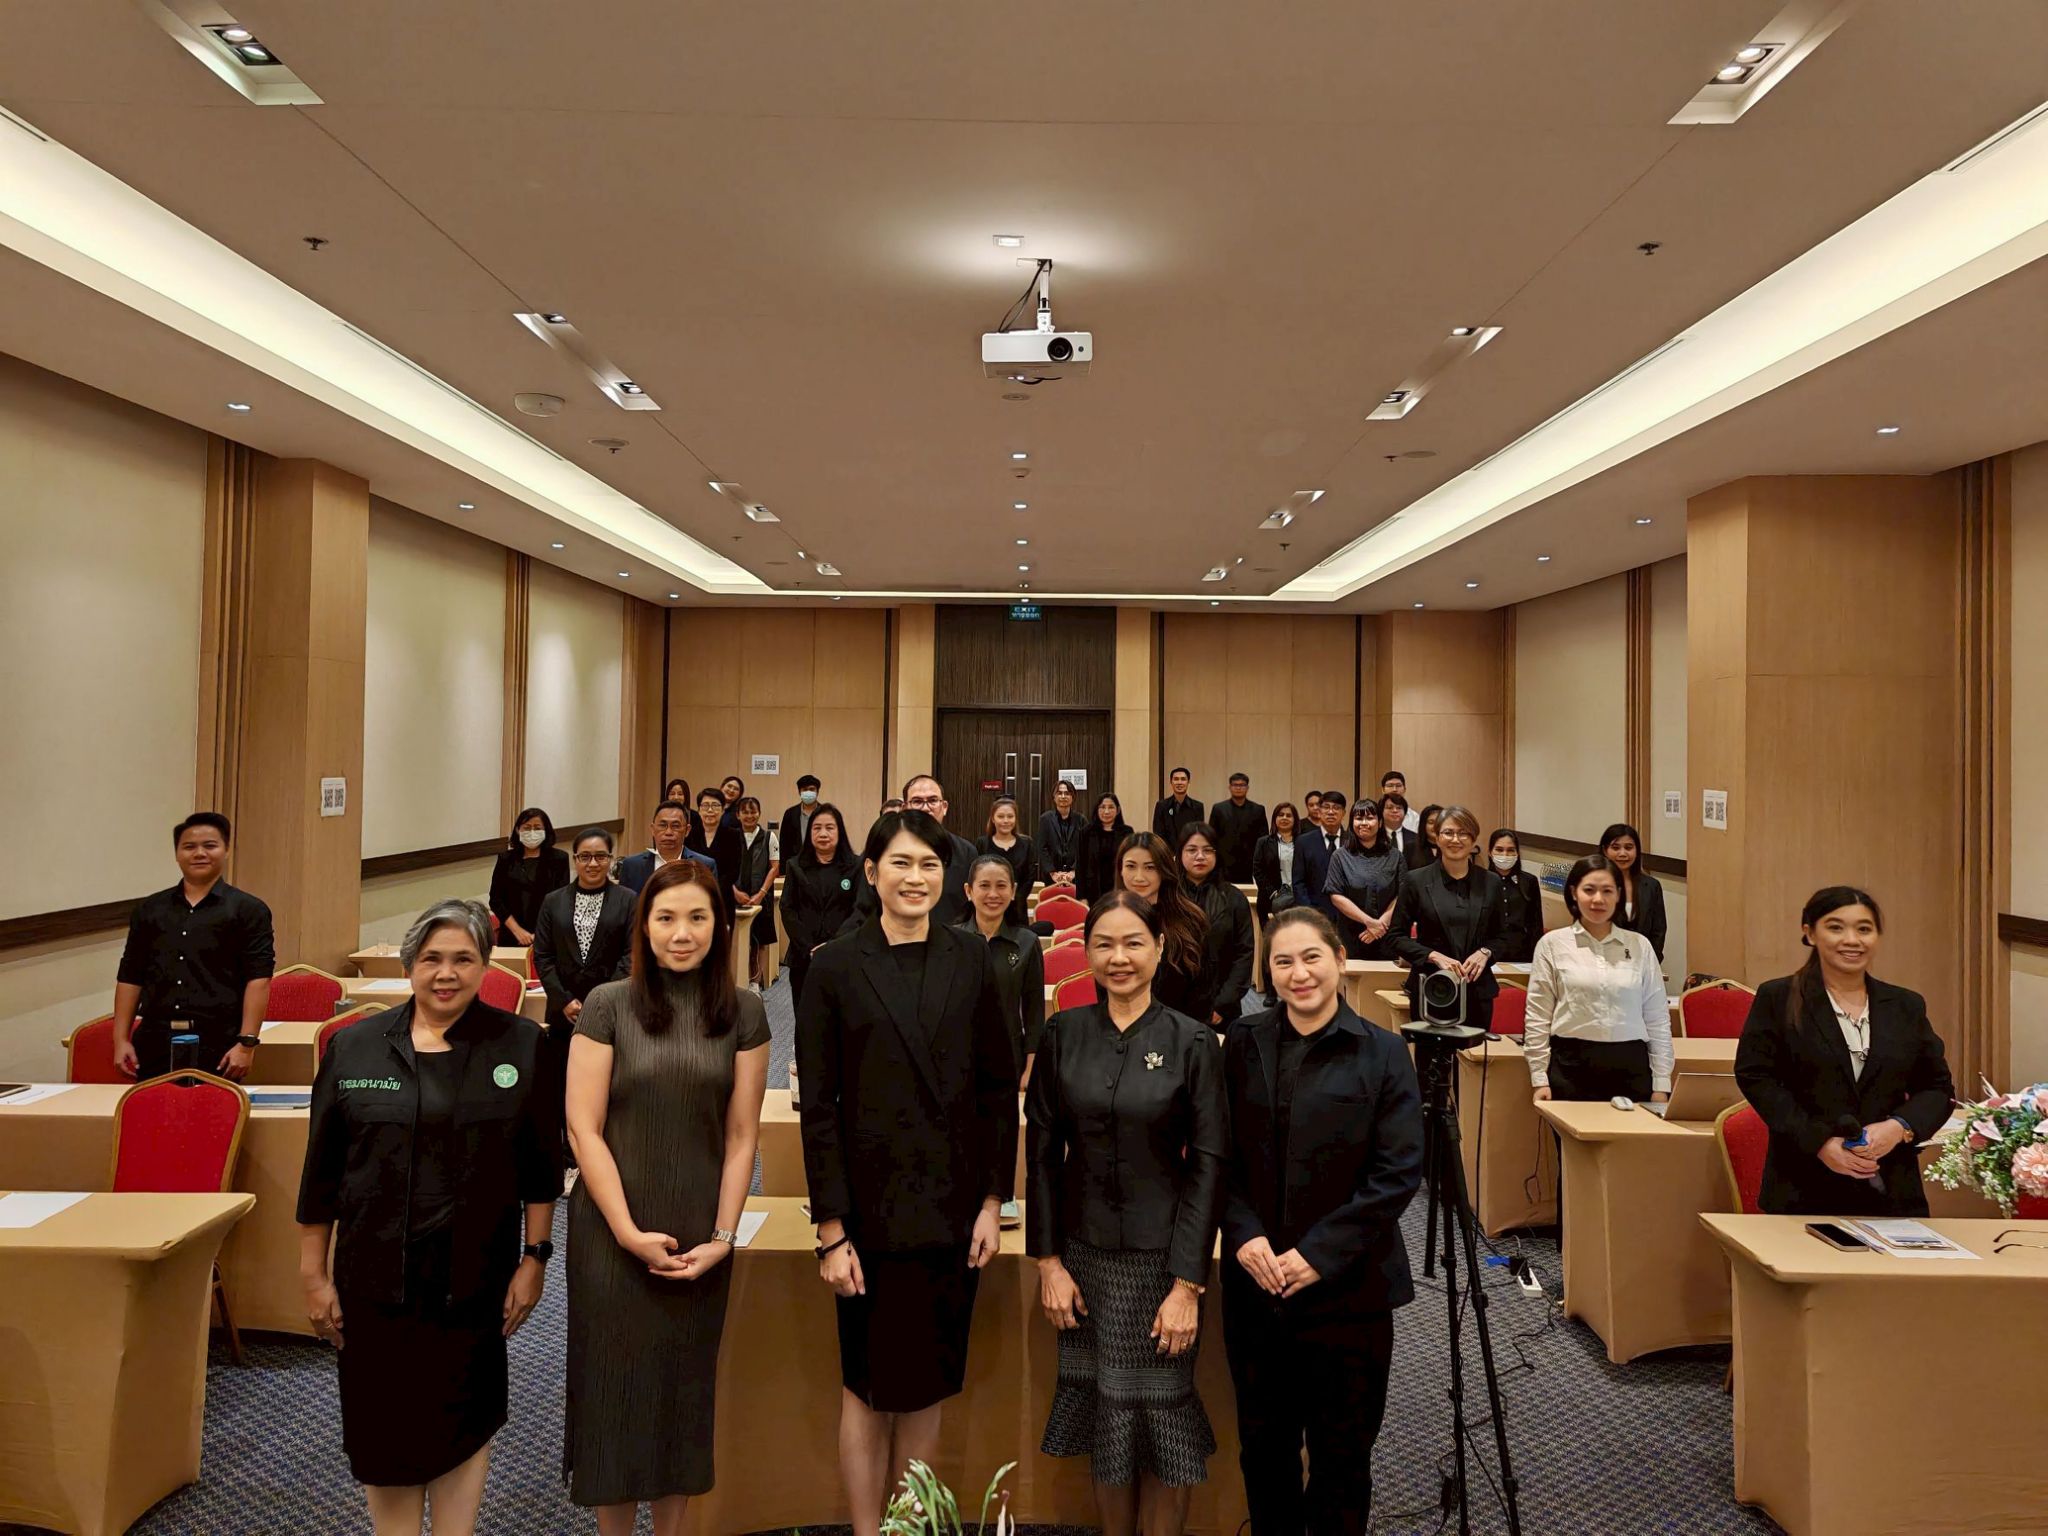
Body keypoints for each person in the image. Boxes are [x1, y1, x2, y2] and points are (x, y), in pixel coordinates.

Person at [296, 899, 558, 1536]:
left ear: (485, 967)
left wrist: (535, 1258)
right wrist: (313, 1275)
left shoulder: (522, 1043)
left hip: (475, 1278)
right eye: (432, 959)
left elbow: (540, 1166)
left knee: (463, 1421)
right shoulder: (354, 1047)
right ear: (410, 965)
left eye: (463, 959)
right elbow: (321, 1174)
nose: (447, 973)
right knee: (383, 1431)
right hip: (374, 1277)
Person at [795, 810, 1018, 1536]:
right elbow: (819, 1107)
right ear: (872, 872)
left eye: (929, 865)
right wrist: (831, 1230)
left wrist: (992, 1200)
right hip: (867, 1216)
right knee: (865, 1390)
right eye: (901, 863)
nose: (916, 878)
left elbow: (997, 1090)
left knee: (927, 1390)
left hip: (951, 1210)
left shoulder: (971, 957)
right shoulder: (835, 965)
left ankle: (911, 1530)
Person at [563, 861, 770, 1534]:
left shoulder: (744, 1011)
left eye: (698, 918)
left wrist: (723, 1238)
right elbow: (583, 1129)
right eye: (666, 918)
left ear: (720, 926)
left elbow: (741, 1137)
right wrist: (626, 1231)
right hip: (610, 1232)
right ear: (644, 927)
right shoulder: (607, 1005)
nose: (682, 933)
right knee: (614, 1399)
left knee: (683, 1397)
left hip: (697, 1232)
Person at [1027, 890, 1227, 1534]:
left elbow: (1209, 1165)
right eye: (1104, 944)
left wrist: (1188, 1284)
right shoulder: (1062, 1034)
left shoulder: (1193, 1041)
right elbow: (1041, 1156)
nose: (1119, 957)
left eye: (1134, 943)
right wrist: (1048, 1262)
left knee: (1165, 1427)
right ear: (1086, 952)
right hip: (1082, 1259)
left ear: (1159, 948)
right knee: (1106, 1423)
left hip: (1163, 1263)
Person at [1221, 907, 1424, 1534]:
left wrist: (1319, 1254)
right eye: (1283, 961)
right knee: (1265, 1452)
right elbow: (1216, 1155)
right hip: (1257, 1284)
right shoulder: (1243, 1042)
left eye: (1311, 957)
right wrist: (1243, 1232)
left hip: (1350, 1289)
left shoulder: (1383, 1051)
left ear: (1339, 959)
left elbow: (1398, 1171)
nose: (1299, 973)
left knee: (1343, 1457)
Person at [1734, 888, 1955, 1217]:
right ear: (1810, 933)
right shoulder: (1778, 998)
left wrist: (1899, 1127)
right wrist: (1820, 1142)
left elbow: (1937, 1088)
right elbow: (1757, 1078)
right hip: (1802, 1186)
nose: (1852, 940)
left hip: (1892, 1189)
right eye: (1836, 927)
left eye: (1864, 929)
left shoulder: (1905, 1005)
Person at [111, 812, 274, 1082]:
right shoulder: (149, 909)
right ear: (177, 854)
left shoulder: (248, 910)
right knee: (155, 1108)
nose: (199, 853)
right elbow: (130, 976)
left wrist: (246, 1044)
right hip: (154, 1039)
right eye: (189, 847)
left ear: (226, 850)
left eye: (210, 846)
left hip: (219, 1041)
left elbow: (258, 980)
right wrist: (120, 1039)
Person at [1524, 856, 1673, 1106]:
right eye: (1589, 890)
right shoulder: (1552, 945)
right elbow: (1538, 1016)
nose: (1598, 899)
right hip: (1570, 1067)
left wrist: (1661, 1082)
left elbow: (1657, 1018)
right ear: (1574, 893)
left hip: (1631, 1068)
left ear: (1619, 895)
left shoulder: (1640, 945)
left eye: (1607, 891)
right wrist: (1539, 1078)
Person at [532, 828, 637, 1136]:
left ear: (611, 859)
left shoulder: (628, 900)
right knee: (563, 1084)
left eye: (600, 856)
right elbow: (543, 956)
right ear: (575, 860)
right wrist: (564, 1000)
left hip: (612, 1008)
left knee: (609, 1083)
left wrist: (600, 1001)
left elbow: (632, 955)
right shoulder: (553, 901)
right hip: (563, 1011)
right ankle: (567, 1148)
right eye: (585, 857)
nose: (593, 863)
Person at [1389, 804, 1504, 1034]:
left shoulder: (1491, 882)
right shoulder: (1416, 881)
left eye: (1463, 833)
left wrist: (1485, 953)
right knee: (1430, 1056)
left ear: (1473, 839)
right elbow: (1395, 937)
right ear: (1437, 837)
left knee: (1472, 1057)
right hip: (1431, 988)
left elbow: (1505, 936)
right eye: (1448, 833)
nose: (1455, 840)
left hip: (1477, 991)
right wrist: (1432, 956)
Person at [835, 776, 981, 937]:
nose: (926, 808)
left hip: (951, 942)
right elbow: (864, 908)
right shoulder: (886, 847)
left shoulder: (966, 852)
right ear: (904, 807)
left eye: (933, 800)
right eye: (917, 801)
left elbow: (974, 907)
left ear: (944, 807)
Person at [960, 853, 1046, 1080]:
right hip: (958, 1058)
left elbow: (1034, 1012)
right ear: (969, 891)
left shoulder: (1027, 942)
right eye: (984, 886)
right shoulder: (952, 940)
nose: (993, 894)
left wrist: (1031, 1068)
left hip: (1009, 1058)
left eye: (1001, 886)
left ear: (1013, 890)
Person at [1115, 832, 1213, 1024]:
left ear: (1164, 870)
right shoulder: (1109, 921)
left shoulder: (1191, 921)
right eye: (1131, 866)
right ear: (1120, 870)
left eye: (1150, 867)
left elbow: (1203, 994)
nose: (1139, 877)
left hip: (1181, 1030)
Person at [779, 804, 860, 1008]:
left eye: (830, 828)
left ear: (840, 831)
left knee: (842, 1015)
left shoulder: (855, 866)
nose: (823, 833)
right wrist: (808, 947)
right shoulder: (795, 866)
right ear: (809, 832)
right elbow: (787, 909)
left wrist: (833, 945)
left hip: (843, 955)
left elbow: (859, 910)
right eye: (817, 828)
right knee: (805, 1014)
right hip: (803, 957)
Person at [1179, 823, 1255, 1027]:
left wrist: (1223, 1005)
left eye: (1207, 850)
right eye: (1192, 850)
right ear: (1179, 854)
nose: (1200, 856)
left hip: (1221, 1007)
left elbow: (1244, 954)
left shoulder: (1234, 898)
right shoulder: (1168, 897)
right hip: (1174, 1007)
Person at [1324, 799, 1406, 961]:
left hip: (1388, 934)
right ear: (1352, 822)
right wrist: (1369, 922)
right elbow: (1335, 895)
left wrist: (1381, 924)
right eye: (1358, 818)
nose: (1364, 823)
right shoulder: (1340, 856)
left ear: (1380, 822)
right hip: (1352, 935)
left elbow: (1402, 894)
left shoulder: (1395, 856)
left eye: (1369, 818)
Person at [488, 806, 570, 948]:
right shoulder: (506, 859)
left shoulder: (559, 859)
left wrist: (541, 934)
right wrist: (518, 931)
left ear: (546, 830)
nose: (532, 832)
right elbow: (496, 900)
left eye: (537, 828)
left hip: (548, 936)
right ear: (518, 830)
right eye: (527, 828)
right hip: (511, 936)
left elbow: (562, 902)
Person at [1597, 822, 1668, 962]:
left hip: (1642, 962)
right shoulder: (1595, 886)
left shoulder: (1651, 886)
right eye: (1615, 848)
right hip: (1604, 962)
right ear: (1605, 850)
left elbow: (1658, 931)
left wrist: (1650, 963)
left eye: (1629, 848)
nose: (1623, 853)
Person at [617, 802, 714, 894]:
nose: (668, 832)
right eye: (663, 825)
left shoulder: (705, 866)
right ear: (653, 829)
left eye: (675, 826)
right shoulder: (631, 866)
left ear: (687, 830)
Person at [734, 797, 780, 988]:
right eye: (745, 812)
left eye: (753, 812)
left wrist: (761, 894)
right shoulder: (731, 836)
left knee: (760, 941)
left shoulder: (769, 837)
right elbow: (724, 867)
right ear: (738, 815)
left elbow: (775, 867)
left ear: (759, 813)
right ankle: (737, 980)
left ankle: (755, 981)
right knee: (737, 939)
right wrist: (734, 891)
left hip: (762, 897)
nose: (749, 816)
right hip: (735, 896)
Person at [975, 796, 1037, 928]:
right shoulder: (983, 844)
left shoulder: (1027, 844)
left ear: (1015, 818)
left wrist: (1014, 897)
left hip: (1018, 908)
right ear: (993, 819)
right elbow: (977, 875)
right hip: (990, 904)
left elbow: (1030, 876)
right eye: (1001, 816)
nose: (1006, 821)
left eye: (1010, 816)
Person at [1486, 829, 1546, 964]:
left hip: (1522, 954)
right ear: (1490, 852)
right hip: (1489, 953)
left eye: (1510, 850)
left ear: (1517, 853)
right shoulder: (1480, 880)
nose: (1505, 855)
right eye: (1499, 850)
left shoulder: (1529, 881)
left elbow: (1536, 925)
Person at [686, 788, 746, 916]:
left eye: (715, 806)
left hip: (722, 898)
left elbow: (733, 871)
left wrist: (712, 888)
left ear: (723, 810)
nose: (710, 810)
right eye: (705, 806)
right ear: (699, 810)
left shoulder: (733, 835)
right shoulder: (689, 835)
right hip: (693, 897)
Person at [1251, 802, 1309, 924]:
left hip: (1299, 899)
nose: (1284, 818)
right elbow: (1258, 870)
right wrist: (1274, 893)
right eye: (1280, 815)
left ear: (1295, 819)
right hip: (1271, 899)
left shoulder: (1304, 842)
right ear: (1274, 819)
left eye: (1289, 815)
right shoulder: (1263, 842)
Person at [1207, 773, 1266, 885]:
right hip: (1224, 863)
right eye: (1235, 785)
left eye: (1242, 785)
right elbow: (1211, 836)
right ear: (1230, 787)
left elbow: (1263, 838)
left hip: (1249, 864)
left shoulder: (1258, 810)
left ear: (1247, 788)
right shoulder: (1219, 809)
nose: (1238, 788)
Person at [1075, 792, 1131, 904]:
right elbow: (1080, 866)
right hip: (1092, 891)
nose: (1106, 811)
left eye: (1111, 807)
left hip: (1119, 889)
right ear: (1097, 809)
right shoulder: (1086, 832)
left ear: (1118, 810)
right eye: (1102, 807)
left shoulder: (1127, 833)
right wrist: (1081, 896)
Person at [1296, 795, 1341, 925]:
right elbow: (1298, 883)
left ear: (1343, 812)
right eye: (1326, 807)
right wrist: (1309, 913)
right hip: (1314, 915)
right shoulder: (1303, 842)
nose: (1331, 812)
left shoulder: (1351, 841)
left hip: (1348, 917)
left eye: (1336, 808)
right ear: (1319, 811)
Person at [1036, 780, 1083, 888]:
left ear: (1073, 797)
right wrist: (1053, 872)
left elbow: (1084, 848)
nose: (1063, 796)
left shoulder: (1081, 820)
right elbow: (1042, 848)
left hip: (1075, 877)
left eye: (1067, 793)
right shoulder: (1045, 819)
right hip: (1051, 877)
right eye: (1059, 793)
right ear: (1054, 797)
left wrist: (1074, 871)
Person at [776, 775, 823, 868]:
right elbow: (784, 844)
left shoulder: (826, 813)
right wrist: (784, 869)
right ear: (799, 792)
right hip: (796, 865)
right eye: (805, 789)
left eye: (812, 789)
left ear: (817, 792)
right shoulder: (790, 814)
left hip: (821, 864)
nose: (808, 792)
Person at [1151, 767, 1205, 846]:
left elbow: (1198, 834)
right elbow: (1158, 834)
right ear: (1171, 782)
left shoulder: (1198, 807)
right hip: (1167, 852)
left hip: (1189, 850)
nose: (1179, 782)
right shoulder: (1161, 806)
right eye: (1176, 779)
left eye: (1183, 779)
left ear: (1188, 782)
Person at [1380, 793, 1425, 869]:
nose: (1395, 811)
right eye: (1390, 807)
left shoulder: (1416, 838)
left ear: (1405, 813)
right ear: (1381, 812)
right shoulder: (1375, 836)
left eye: (1399, 808)